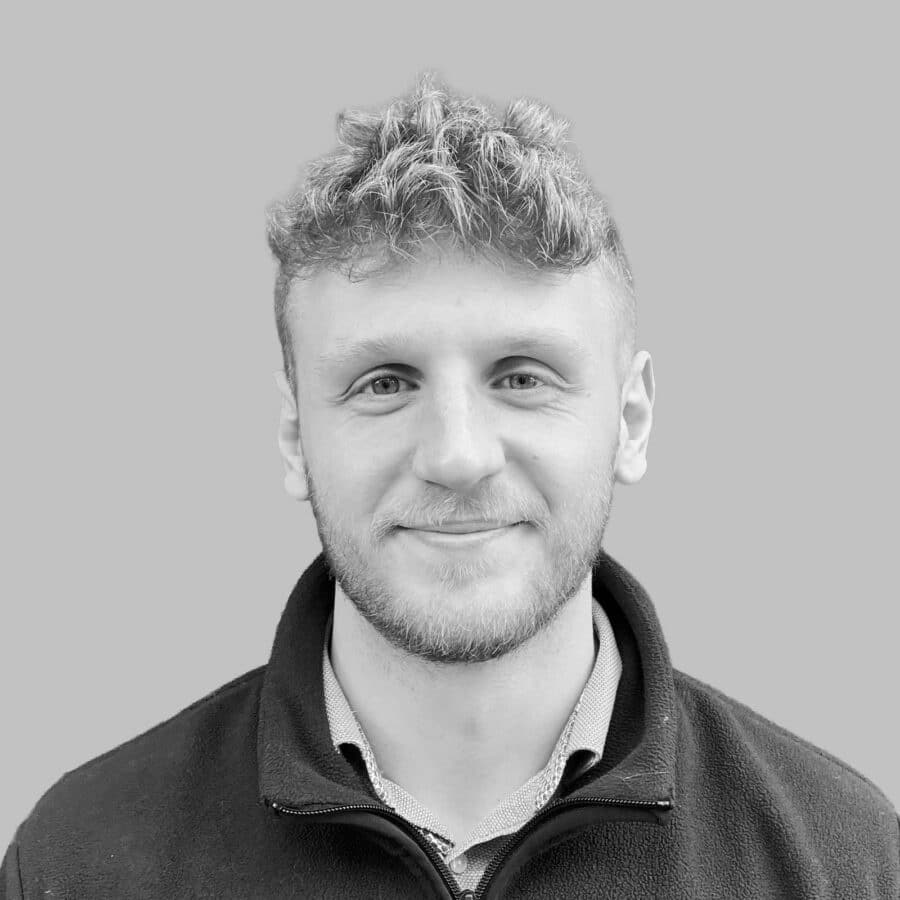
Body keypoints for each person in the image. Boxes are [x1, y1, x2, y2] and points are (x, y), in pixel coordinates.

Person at [3, 76, 898, 900]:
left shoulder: (844, 863)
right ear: (294, 435)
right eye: (385, 383)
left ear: (630, 421)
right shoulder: (79, 863)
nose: (458, 455)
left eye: (523, 377)